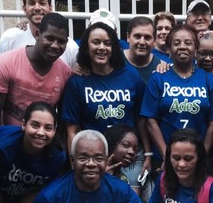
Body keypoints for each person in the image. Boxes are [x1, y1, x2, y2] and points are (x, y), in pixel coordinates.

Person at [60, 21, 149, 169]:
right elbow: (72, 130)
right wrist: (75, 166)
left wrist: (148, 153)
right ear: (86, 47)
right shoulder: (77, 82)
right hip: (92, 161)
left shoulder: (130, 75)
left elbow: (141, 119)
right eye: (96, 42)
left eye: (107, 43)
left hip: (128, 159)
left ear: (114, 47)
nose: (102, 48)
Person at [28, 130, 153, 203]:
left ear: (106, 160)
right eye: (83, 158)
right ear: (73, 160)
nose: (91, 164)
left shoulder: (121, 190)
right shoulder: (50, 197)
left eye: (98, 159)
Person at [141, 23, 213, 162]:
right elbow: (150, 120)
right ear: (169, 50)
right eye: (176, 43)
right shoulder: (158, 77)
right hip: (165, 157)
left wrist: (202, 156)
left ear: (196, 49)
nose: (182, 46)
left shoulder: (209, 79)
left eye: (188, 43)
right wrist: (167, 156)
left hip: (197, 158)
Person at [0, 13, 72, 127]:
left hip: (43, 139)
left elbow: (62, 119)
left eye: (61, 41)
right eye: (50, 38)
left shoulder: (65, 73)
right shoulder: (6, 63)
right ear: (38, 34)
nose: (55, 45)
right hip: (7, 138)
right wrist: (2, 142)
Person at [0, 0, 78, 67]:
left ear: (50, 8)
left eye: (42, 3)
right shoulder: (10, 38)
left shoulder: (70, 47)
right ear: (24, 9)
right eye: (32, 3)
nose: (37, 8)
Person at [148, 129, 213, 203]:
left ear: (199, 158)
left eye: (188, 159)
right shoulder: (163, 180)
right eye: (176, 158)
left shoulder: (211, 187)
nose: (181, 164)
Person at [124, 16, 162, 84]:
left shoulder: (161, 67)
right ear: (128, 37)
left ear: (154, 41)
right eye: (137, 37)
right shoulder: (115, 61)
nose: (142, 42)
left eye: (147, 38)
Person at [103, 124, 139, 189]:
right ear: (111, 144)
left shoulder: (123, 179)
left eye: (135, 149)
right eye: (126, 145)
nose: (132, 152)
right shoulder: (95, 174)